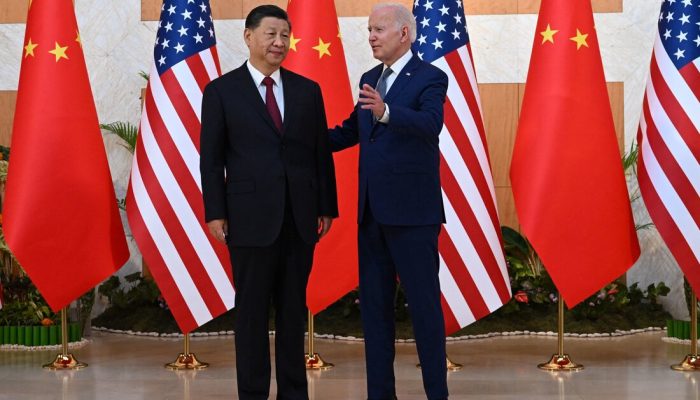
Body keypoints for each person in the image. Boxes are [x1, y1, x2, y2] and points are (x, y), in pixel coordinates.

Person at [199, 5, 338, 399]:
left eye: (284, 35)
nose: (279, 43)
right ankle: (253, 393)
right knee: (252, 316)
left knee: (293, 314)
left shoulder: (307, 90)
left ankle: (295, 393)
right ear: (248, 37)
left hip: (299, 219)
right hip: (247, 220)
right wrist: (215, 212)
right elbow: (210, 159)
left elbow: (319, 154)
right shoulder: (221, 92)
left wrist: (326, 206)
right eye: (270, 34)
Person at [328, 3, 449, 400]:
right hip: (371, 216)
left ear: (404, 34)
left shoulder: (431, 77)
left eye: (379, 29)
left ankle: (437, 394)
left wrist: (387, 112)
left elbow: (430, 125)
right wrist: (302, 137)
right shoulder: (369, 78)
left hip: (414, 217)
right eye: (368, 30)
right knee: (375, 314)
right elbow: (351, 131)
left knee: (425, 311)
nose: (372, 37)